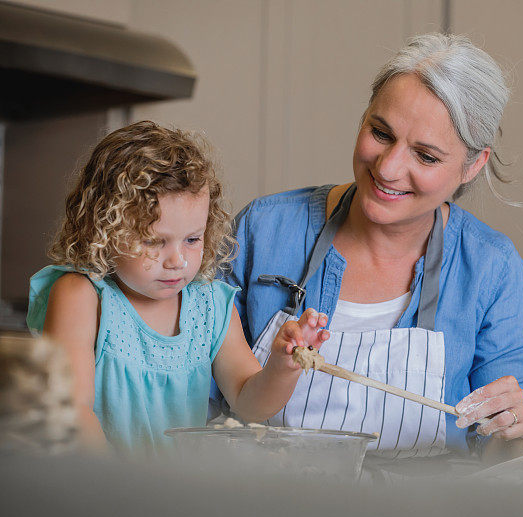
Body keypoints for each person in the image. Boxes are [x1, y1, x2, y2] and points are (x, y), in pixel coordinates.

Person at [222, 33, 523, 462]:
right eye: (381, 133)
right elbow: (198, 397)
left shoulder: (493, 269)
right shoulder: (264, 230)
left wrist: (518, 435)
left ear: (473, 165)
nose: (389, 168)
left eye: (427, 156)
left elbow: (516, 450)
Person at [27, 121, 330, 456]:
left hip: (179, 498)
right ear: (104, 230)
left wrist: (281, 366)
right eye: (153, 241)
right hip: (100, 491)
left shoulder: (210, 304)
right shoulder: (81, 297)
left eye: (192, 239)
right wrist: (118, 489)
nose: (177, 260)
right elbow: (70, 411)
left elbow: (249, 402)